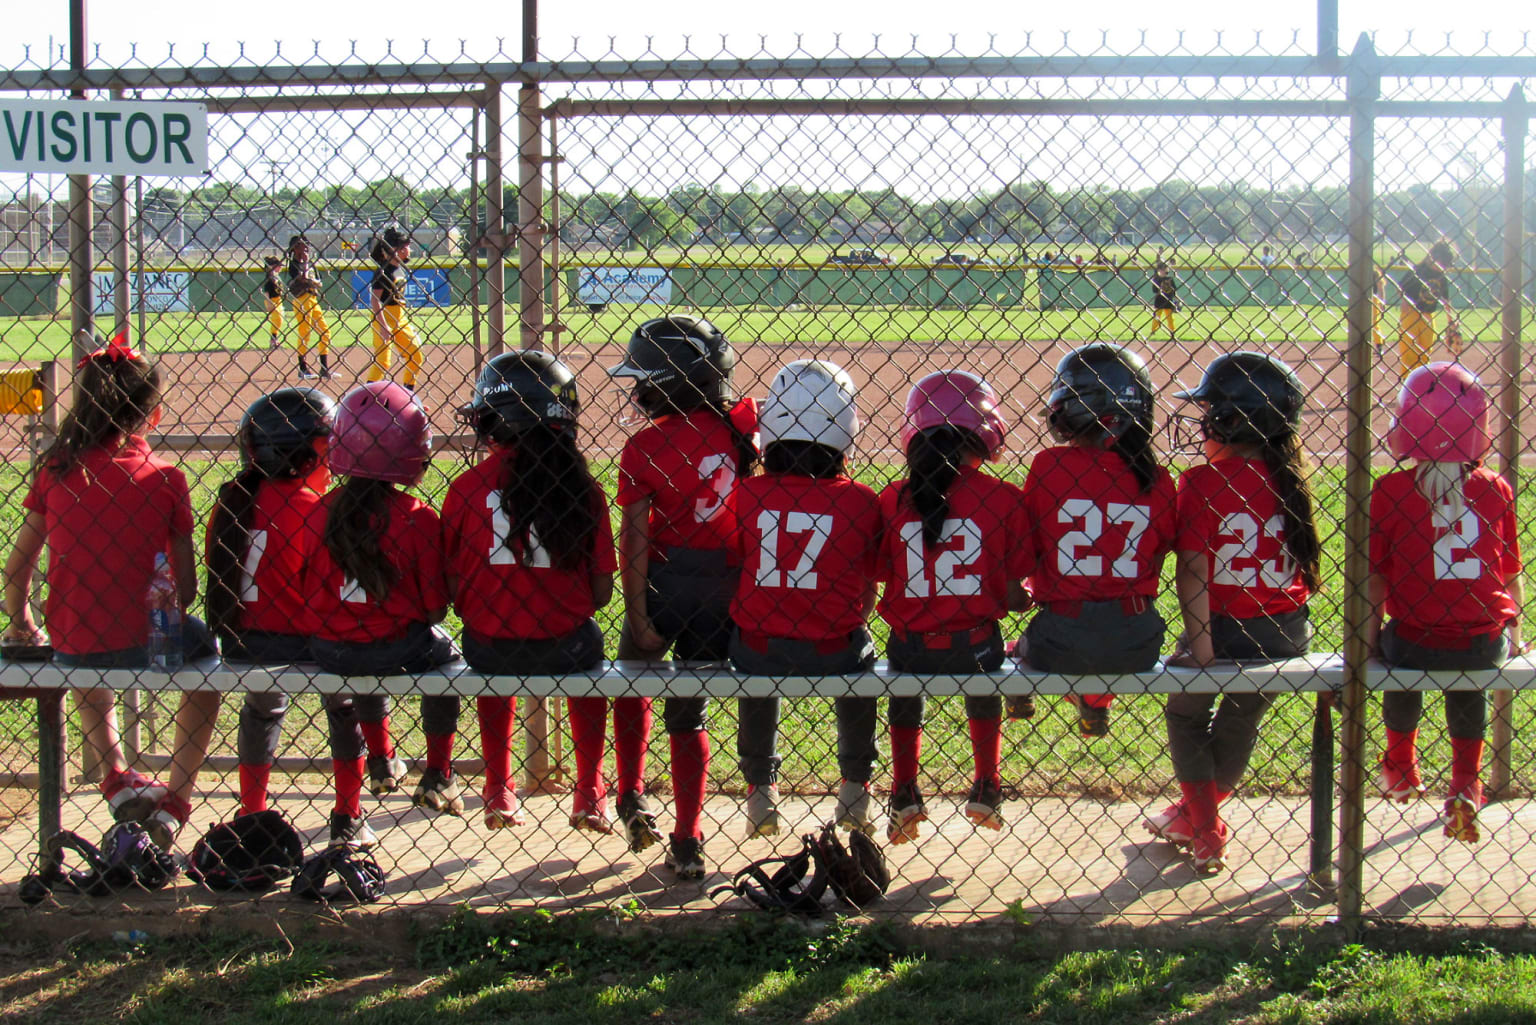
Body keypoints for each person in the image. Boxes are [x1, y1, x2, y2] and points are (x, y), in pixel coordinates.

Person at [1, 333, 219, 849]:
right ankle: (175, 802)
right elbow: (185, 589)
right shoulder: (165, 477)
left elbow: (19, 564)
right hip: (151, 638)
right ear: (153, 415)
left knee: (79, 633)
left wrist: (20, 619)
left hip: (75, 637)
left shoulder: (55, 469)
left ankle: (116, 779)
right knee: (207, 663)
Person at [443, 352, 637, 838]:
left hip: (487, 645)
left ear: (499, 419)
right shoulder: (583, 489)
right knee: (590, 660)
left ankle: (498, 787)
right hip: (566, 646)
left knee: (491, 655)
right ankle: (591, 791)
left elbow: (452, 587)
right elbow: (600, 593)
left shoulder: (465, 488)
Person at [1142, 352, 1322, 874]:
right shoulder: (1292, 478)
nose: (1200, 427)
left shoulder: (1201, 482)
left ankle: (1204, 829)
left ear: (1228, 422)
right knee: (1239, 722)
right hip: (1286, 632)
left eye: (1207, 416)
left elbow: (1194, 572)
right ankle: (1195, 816)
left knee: (1184, 711)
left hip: (1221, 627)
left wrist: (1201, 650)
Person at [609, 315, 758, 879]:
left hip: (664, 582)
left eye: (645, 379)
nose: (638, 390)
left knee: (633, 676)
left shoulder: (645, 444)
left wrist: (640, 612)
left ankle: (630, 793)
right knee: (689, 708)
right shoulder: (743, 434)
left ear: (674, 382)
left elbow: (636, 539)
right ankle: (688, 836)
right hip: (723, 589)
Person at [208, 389, 399, 824]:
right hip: (307, 643)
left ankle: (251, 812)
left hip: (243, 643)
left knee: (262, 707)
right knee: (345, 699)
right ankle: (349, 815)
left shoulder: (231, 500)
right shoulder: (316, 509)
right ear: (316, 451)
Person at [297, 381, 457, 847]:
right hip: (395, 647)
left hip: (329, 648)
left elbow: (306, 588)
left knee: (349, 669)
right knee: (445, 658)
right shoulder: (418, 518)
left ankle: (371, 776)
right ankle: (438, 772)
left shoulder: (317, 511)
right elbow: (433, 607)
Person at [1368, 363, 1522, 845]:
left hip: (1414, 640)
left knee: (1400, 652)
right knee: (1469, 674)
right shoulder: (1495, 488)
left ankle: (1400, 762)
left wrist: (1372, 640)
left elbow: (1375, 577)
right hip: (1481, 641)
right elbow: (1510, 575)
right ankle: (1464, 783)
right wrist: (1516, 634)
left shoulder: (1391, 490)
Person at [876, 371, 1031, 843]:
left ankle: (904, 790)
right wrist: (1021, 597)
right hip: (976, 648)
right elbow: (1010, 596)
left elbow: (885, 575)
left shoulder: (892, 498)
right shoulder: (1005, 498)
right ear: (985, 433)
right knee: (987, 664)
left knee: (904, 689)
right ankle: (987, 783)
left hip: (910, 648)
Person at [728, 360, 881, 836]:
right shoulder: (861, 498)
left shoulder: (747, 494)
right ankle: (855, 786)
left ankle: (760, 789)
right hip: (834, 649)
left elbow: (737, 564)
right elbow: (869, 590)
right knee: (866, 662)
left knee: (756, 658)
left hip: (758, 647)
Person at [1016, 343, 1177, 738]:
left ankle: (1067, 689)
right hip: (1137, 636)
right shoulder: (1158, 479)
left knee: (1024, 647)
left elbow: (1034, 543)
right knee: (1103, 642)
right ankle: (1096, 697)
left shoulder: (1048, 465)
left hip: (1061, 633)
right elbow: (1158, 553)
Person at [368, 226, 423, 390]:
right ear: (393, 250)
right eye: (405, 247)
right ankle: (366, 397)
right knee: (383, 362)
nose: (408, 250)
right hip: (384, 317)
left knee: (416, 355)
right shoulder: (383, 271)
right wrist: (384, 327)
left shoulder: (399, 268)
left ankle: (408, 393)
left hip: (400, 317)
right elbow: (375, 300)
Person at [1397, 239, 1459, 376]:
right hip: (1411, 315)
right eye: (1442, 263)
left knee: (1424, 356)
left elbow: (1446, 300)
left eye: (1446, 265)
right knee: (1409, 355)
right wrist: (1405, 301)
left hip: (1428, 316)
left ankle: (1420, 387)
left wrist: (1451, 320)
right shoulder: (1419, 271)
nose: (1444, 267)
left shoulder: (1441, 277)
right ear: (1433, 258)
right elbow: (1401, 287)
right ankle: (1407, 386)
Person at [286, 235, 333, 380]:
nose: (305, 248)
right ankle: (303, 369)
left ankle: (324, 368)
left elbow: (318, 282)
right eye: (301, 245)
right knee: (305, 332)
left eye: (306, 245)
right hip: (301, 300)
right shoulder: (293, 264)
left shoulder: (311, 263)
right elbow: (303, 278)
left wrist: (312, 279)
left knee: (325, 332)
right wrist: (306, 267)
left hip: (313, 299)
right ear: (294, 249)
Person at [1150, 260, 1178, 339]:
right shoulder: (1156, 279)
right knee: (1157, 317)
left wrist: (1174, 297)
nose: (1163, 271)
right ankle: (1153, 330)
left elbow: (1174, 289)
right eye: (1161, 269)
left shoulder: (1169, 279)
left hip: (1168, 301)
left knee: (1170, 318)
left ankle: (1172, 331)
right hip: (1159, 300)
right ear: (1158, 270)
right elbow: (1154, 290)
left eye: (1164, 269)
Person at [260, 256, 284, 348]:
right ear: (272, 266)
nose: (280, 267)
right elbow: (266, 291)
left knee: (279, 321)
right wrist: (269, 303)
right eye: (278, 265)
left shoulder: (276, 277)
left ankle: (274, 339)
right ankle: (273, 340)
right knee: (277, 319)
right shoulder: (269, 277)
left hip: (278, 300)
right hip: (272, 300)